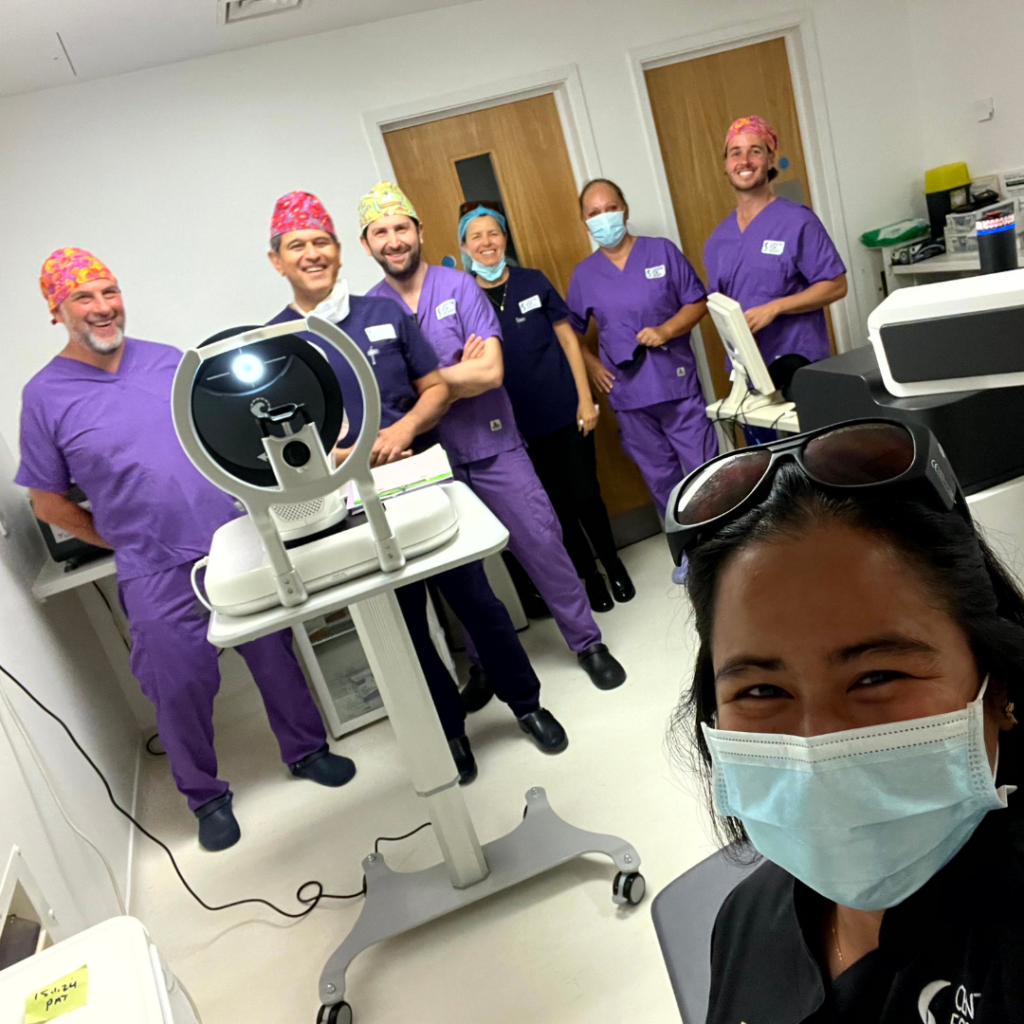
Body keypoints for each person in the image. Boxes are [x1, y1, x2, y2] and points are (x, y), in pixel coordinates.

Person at [667, 419, 1023, 1022]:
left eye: (877, 678)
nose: (818, 747)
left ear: (996, 689)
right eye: (760, 689)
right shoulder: (745, 921)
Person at [17, 248, 356, 852]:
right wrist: (117, 539)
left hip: (229, 539)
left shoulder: (173, 363)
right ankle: (207, 797)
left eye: (110, 291)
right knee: (176, 686)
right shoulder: (46, 396)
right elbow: (47, 502)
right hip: (152, 566)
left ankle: (307, 750)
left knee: (274, 653)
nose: (103, 308)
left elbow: (226, 439)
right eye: (85, 298)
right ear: (58, 310)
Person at [263, 191, 568, 783]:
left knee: (477, 601)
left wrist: (400, 428)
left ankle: (526, 704)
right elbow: (284, 430)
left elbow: (433, 387)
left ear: (337, 250)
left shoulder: (382, 316)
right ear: (277, 260)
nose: (312, 254)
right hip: (348, 502)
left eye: (320, 242)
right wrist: (330, 457)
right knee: (407, 625)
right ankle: (450, 731)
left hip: (419, 479)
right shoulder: (278, 341)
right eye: (297, 246)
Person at [359, 181, 627, 704]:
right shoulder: (367, 312)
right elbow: (381, 395)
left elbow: (491, 372)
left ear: (418, 232)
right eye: (380, 232)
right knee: (461, 573)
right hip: (427, 462)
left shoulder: (459, 288)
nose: (393, 239)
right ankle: (484, 666)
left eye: (401, 228)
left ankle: (586, 641)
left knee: (542, 540)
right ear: (367, 243)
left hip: (493, 443)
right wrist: (456, 371)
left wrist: (426, 381)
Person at [458, 201, 635, 613]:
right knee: (555, 508)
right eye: (476, 237)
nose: (487, 243)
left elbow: (571, 340)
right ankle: (589, 578)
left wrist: (585, 399)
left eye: (494, 233)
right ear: (465, 247)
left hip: (564, 410)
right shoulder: (463, 297)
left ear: (504, 238)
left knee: (586, 495)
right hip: (514, 427)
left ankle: (613, 565)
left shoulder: (532, 282)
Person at [566, 178, 716, 520]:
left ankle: (723, 542)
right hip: (629, 394)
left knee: (704, 470)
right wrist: (590, 364)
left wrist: (667, 330)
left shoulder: (661, 251)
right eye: (594, 213)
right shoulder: (585, 275)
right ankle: (686, 549)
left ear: (625, 209)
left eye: (611, 209)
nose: (604, 218)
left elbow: (697, 302)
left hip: (676, 385)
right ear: (585, 222)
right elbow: (569, 332)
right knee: (661, 477)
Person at [703, 115, 847, 416]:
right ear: (726, 165)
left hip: (798, 366)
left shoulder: (797, 221)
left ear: (771, 160)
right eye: (735, 152)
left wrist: (776, 307)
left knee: (810, 455)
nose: (745, 159)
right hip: (749, 375)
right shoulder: (718, 240)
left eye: (756, 150)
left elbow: (836, 285)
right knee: (763, 459)